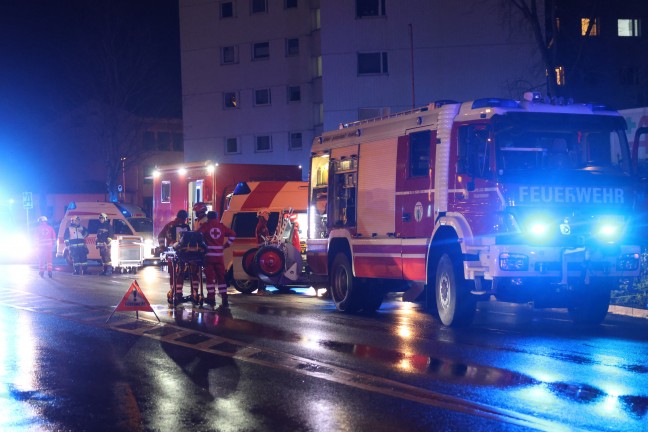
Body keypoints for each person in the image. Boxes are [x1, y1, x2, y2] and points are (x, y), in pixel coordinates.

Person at [198, 211, 236, 308]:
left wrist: (202, 246)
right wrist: (226, 245)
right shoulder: (221, 226)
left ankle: (211, 298)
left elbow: (197, 235)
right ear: (216, 217)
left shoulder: (206, 226)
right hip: (219, 257)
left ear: (208, 217)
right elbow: (233, 234)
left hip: (209, 257)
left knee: (210, 279)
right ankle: (224, 298)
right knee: (221, 278)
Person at [158, 210, 191, 302]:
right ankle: (179, 293)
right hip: (182, 253)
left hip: (171, 253)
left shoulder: (170, 225)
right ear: (185, 218)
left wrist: (162, 246)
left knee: (173, 274)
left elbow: (161, 235)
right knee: (180, 273)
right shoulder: (186, 226)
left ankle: (173, 292)